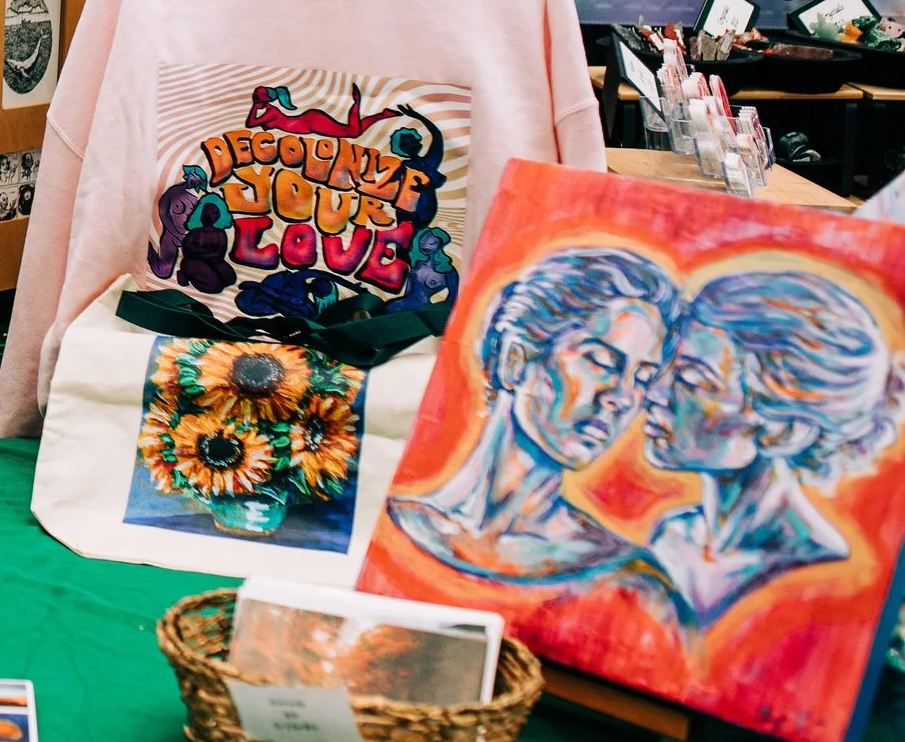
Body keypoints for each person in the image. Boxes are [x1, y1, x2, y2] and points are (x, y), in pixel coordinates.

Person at [387, 248, 680, 581]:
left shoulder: (630, 579)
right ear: (515, 361)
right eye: (600, 361)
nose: (623, 397)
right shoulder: (391, 527)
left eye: (642, 378)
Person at [642, 269, 905, 626]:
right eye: (666, 365)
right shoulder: (672, 536)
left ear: (784, 430)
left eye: (692, 379)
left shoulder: (818, 577)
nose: (655, 391)